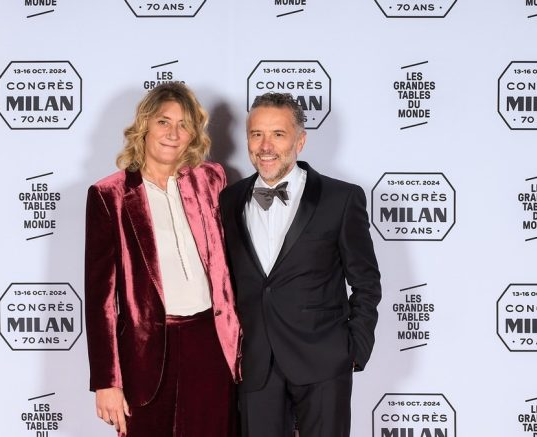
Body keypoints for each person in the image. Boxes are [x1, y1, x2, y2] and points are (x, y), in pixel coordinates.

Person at [219, 92, 382, 437]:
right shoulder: (228, 200)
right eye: (256, 134)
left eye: (278, 134)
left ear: (300, 141)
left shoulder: (341, 198)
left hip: (324, 361)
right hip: (257, 365)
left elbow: (366, 281)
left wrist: (355, 349)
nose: (265, 146)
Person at [84, 82, 241, 437]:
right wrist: (107, 381)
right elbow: (100, 301)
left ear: (193, 134)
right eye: (163, 122)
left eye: (184, 125)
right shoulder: (110, 195)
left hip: (211, 344)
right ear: (145, 125)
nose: (173, 133)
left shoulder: (211, 180)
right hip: (146, 354)